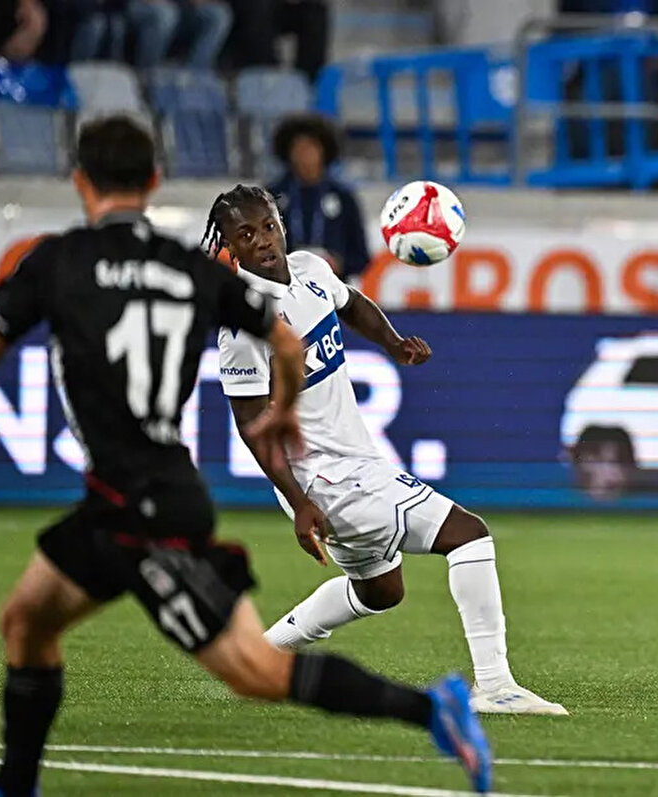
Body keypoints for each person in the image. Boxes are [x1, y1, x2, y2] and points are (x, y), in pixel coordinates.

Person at [0, 116, 491, 797]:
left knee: (255, 670)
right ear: (154, 180)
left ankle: (432, 709)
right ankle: (15, 785)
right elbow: (281, 338)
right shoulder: (189, 271)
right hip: (121, 497)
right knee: (25, 621)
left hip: (144, 508)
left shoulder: (56, 262)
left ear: (80, 182)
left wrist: (280, 425)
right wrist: (285, 408)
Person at [206, 184, 567, 717]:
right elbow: (250, 424)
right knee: (468, 535)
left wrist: (393, 342)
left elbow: (352, 305)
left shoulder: (309, 268)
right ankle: (496, 687)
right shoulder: (243, 326)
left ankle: (259, 656)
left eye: (268, 226)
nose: (262, 240)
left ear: (281, 225)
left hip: (357, 461)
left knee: (380, 591)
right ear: (229, 248)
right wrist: (298, 501)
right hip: (323, 480)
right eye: (245, 234)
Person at [266, 114, 371, 281]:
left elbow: (361, 257)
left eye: (310, 147)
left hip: (332, 287)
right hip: (283, 287)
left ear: (324, 151)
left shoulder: (344, 198)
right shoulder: (270, 197)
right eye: (297, 147)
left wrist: (340, 264)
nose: (304, 154)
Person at [226, 0, 330, 81]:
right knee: (259, 6)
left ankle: (306, 84)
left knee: (315, 12)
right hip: (239, 10)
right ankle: (263, 79)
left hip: (273, 9)